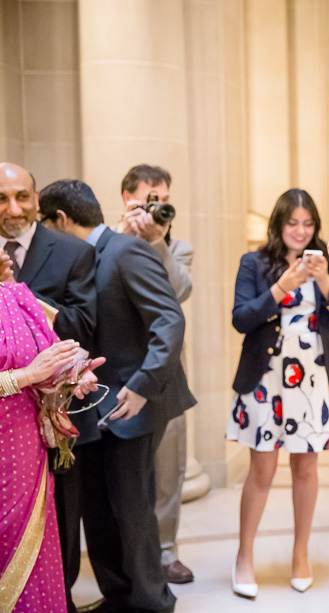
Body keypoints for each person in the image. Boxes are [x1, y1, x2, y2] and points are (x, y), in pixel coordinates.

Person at [39, 179, 195, 613]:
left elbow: (169, 320)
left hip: (135, 400)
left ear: (60, 220)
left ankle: (153, 602)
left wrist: (142, 386)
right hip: (98, 406)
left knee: (132, 510)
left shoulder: (126, 250)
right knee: (102, 509)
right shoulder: (86, 257)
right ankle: (121, 597)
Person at [226, 188, 329, 598]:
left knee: (306, 469)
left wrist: (325, 279)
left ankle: (300, 553)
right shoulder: (255, 262)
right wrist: (282, 286)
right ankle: (244, 556)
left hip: (311, 379)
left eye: (308, 223)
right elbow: (241, 318)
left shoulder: (327, 262)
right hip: (266, 378)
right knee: (261, 469)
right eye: (292, 223)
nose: (300, 230)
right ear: (279, 224)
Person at [0, 161, 97, 613]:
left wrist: (69, 369)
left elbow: (82, 325)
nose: (13, 208)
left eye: (22, 197)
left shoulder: (70, 251)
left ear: (38, 200)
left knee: (55, 525)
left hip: (39, 429)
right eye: (1, 199)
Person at [117, 164, 195, 585]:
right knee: (128, 475)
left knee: (169, 471)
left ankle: (166, 552)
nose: (158, 207)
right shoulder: (110, 241)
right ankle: (132, 557)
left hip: (166, 375)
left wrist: (157, 242)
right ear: (127, 199)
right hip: (120, 375)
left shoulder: (177, 246)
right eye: (149, 199)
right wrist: (126, 236)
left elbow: (179, 290)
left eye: (164, 200)